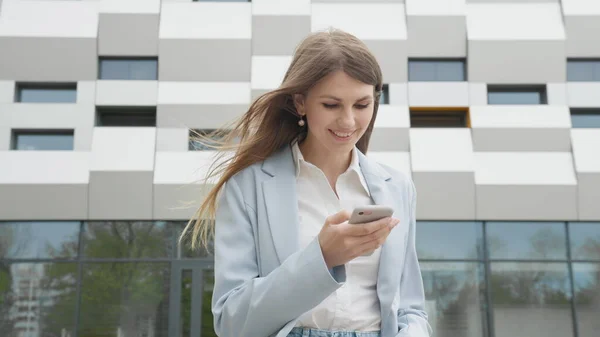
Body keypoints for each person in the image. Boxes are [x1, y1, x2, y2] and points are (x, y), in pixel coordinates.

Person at [181, 28, 432, 337]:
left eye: (362, 105)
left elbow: (409, 308)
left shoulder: (398, 187)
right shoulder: (248, 187)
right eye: (331, 105)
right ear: (300, 102)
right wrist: (322, 258)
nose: (349, 122)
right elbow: (232, 321)